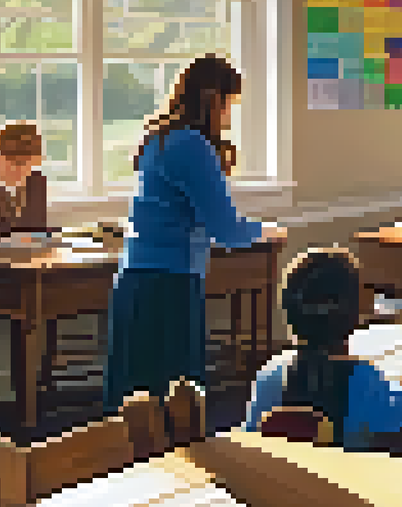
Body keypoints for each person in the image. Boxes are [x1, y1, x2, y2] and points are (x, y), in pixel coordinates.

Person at [104, 54, 285, 415]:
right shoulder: (191, 145)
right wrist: (264, 231)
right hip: (169, 282)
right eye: (228, 104)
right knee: (175, 399)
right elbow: (226, 228)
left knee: (134, 399)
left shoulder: (160, 138)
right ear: (213, 99)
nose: (228, 115)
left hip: (136, 278)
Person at [243, 247, 402, 448]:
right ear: (354, 316)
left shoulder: (270, 374)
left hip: (279, 477)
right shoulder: (365, 379)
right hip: (345, 479)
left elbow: (250, 432)